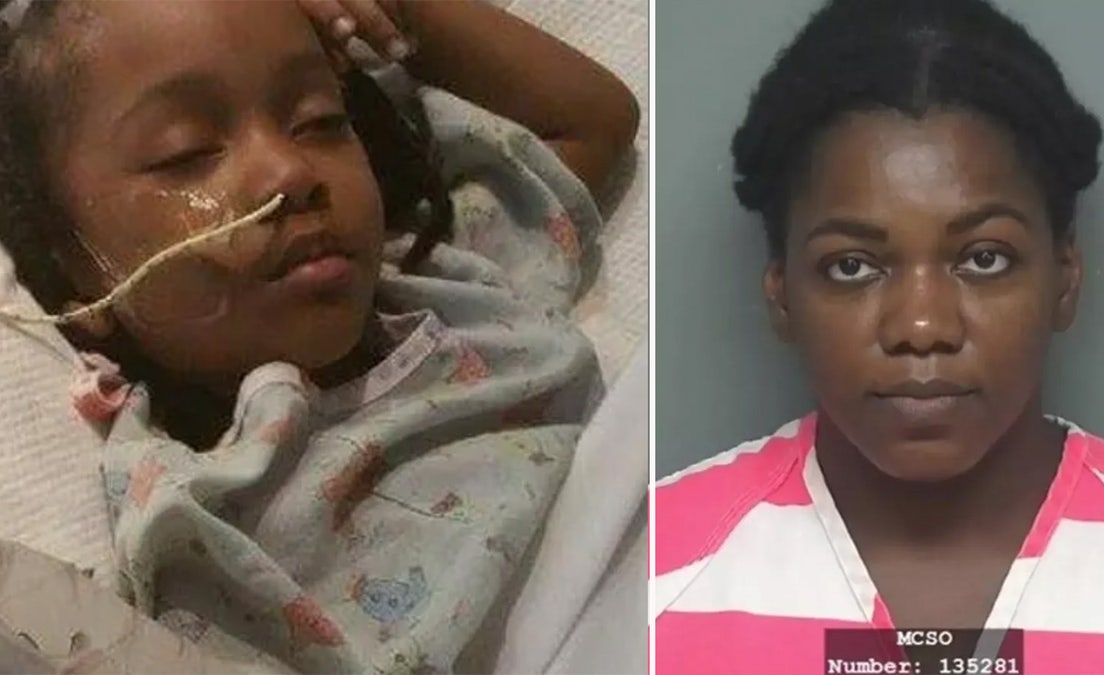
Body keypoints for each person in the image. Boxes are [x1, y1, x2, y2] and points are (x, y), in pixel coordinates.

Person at [0, 0, 638, 672]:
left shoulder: (458, 282)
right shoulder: (191, 507)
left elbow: (593, 122)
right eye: (185, 151)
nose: (290, 174)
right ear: (74, 269)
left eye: (321, 121)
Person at [654, 0, 1104, 673]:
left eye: (984, 258)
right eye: (851, 266)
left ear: (1065, 278)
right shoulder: (653, 574)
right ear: (782, 294)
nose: (922, 327)